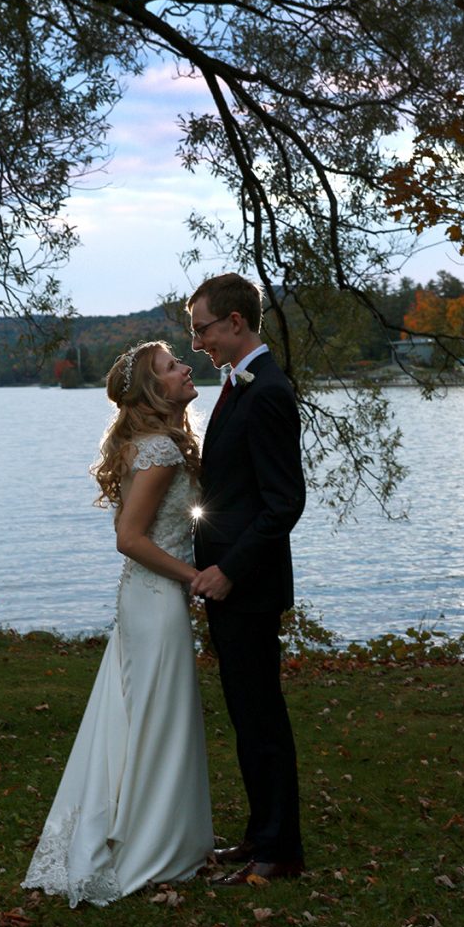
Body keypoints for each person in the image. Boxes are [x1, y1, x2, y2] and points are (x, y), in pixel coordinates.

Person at [22, 341, 213, 907]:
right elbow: (129, 540)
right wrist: (195, 577)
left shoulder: (150, 445)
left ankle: (156, 833)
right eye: (173, 366)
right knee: (159, 718)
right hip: (155, 600)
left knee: (143, 715)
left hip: (145, 600)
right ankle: (153, 847)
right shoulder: (158, 451)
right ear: (155, 389)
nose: (185, 368)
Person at [187, 273, 306, 885]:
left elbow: (283, 504)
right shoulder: (238, 385)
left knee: (261, 717)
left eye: (202, 328)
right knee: (247, 714)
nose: (197, 341)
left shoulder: (269, 393)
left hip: (247, 586)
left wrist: (230, 570)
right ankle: (261, 837)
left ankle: (279, 852)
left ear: (235, 322)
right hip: (226, 583)